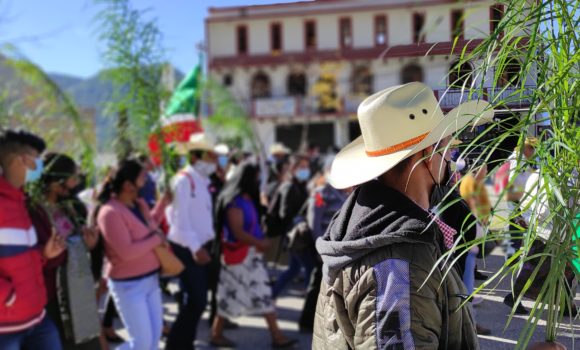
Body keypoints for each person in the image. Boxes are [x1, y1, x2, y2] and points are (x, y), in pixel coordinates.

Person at [313, 82, 493, 349]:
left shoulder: (363, 224)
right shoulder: (398, 266)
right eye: (446, 148)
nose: (450, 159)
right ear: (427, 153)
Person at [210, 162, 296, 348]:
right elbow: (237, 231)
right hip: (240, 258)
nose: (258, 181)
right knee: (262, 294)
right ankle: (276, 336)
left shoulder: (247, 199)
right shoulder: (234, 202)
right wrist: (260, 243)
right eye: (256, 177)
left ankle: (216, 333)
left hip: (248, 257)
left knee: (229, 295)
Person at [27, 153, 103, 349]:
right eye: (72, 177)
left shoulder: (68, 207)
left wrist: (88, 244)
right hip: (54, 298)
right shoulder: (33, 210)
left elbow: (72, 245)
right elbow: (41, 256)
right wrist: (56, 252)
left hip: (78, 294)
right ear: (55, 180)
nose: (76, 183)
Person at [0, 129, 66, 349]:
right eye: (37, 160)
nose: (40, 167)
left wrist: (43, 255)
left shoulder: (19, 203)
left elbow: (17, 257)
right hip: (6, 327)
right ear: (21, 160)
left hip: (36, 317)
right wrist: (9, 297)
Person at [96, 159, 166, 350]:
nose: (148, 181)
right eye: (143, 177)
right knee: (141, 344)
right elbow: (126, 252)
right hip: (129, 285)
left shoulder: (138, 204)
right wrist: (157, 239)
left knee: (152, 341)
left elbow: (150, 228)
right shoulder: (109, 212)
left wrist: (164, 203)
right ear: (128, 185)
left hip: (150, 280)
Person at [165, 133, 217, 350]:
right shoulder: (183, 181)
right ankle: (176, 345)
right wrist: (196, 247)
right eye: (210, 155)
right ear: (196, 157)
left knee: (195, 301)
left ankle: (185, 343)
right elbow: (178, 221)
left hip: (199, 246)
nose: (214, 160)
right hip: (188, 247)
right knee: (196, 301)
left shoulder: (201, 181)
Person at [299, 160, 349, 333]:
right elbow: (314, 223)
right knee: (315, 285)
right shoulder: (321, 193)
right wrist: (319, 249)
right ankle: (306, 321)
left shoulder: (345, 192)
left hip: (336, 249)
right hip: (322, 248)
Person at [271, 155, 314, 298]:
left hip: (298, 236)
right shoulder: (289, 186)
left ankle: (271, 295)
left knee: (294, 269)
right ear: (293, 168)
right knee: (310, 268)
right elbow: (284, 213)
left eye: (307, 166)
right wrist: (299, 218)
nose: (305, 170)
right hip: (295, 236)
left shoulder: (300, 186)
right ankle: (311, 302)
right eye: (302, 167)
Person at [505, 137, 538, 255]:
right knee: (516, 230)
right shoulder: (518, 160)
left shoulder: (520, 158)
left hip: (518, 199)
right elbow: (513, 181)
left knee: (517, 230)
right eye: (533, 149)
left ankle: (512, 256)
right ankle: (512, 258)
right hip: (517, 200)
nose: (534, 152)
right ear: (526, 148)